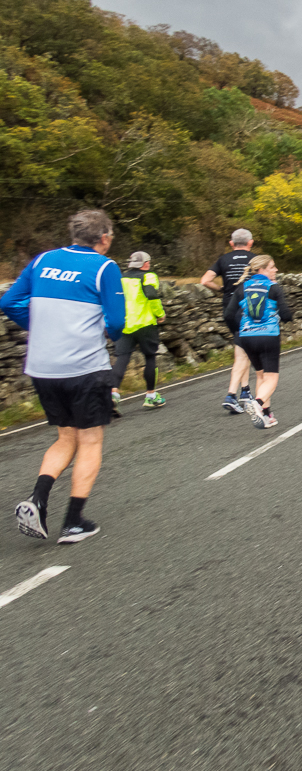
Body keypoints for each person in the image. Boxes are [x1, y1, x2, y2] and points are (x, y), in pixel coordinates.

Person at [2, 209, 124, 544]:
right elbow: (116, 322)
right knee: (90, 440)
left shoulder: (43, 261)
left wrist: (39, 327)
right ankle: (73, 521)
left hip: (43, 367)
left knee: (64, 438)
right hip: (84, 368)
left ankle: (38, 500)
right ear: (103, 238)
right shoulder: (105, 267)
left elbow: (10, 301)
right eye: (110, 236)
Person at [224, 255, 293, 428]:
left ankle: (267, 416)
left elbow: (228, 315)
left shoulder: (242, 288)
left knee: (261, 376)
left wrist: (238, 329)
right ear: (262, 269)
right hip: (269, 336)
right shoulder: (273, 287)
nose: (275, 270)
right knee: (271, 379)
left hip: (246, 337)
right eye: (272, 267)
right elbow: (286, 315)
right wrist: (286, 317)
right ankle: (258, 403)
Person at [200, 229, 256, 414]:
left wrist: (221, 289)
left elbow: (205, 280)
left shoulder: (223, 259)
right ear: (250, 243)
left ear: (231, 243)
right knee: (243, 353)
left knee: (243, 348)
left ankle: (246, 391)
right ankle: (231, 395)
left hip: (229, 310)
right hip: (248, 309)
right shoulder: (255, 260)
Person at [110, 251, 167, 410]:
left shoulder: (121, 278)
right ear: (146, 264)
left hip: (125, 324)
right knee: (150, 357)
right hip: (145, 324)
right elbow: (151, 295)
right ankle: (150, 395)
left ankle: (113, 393)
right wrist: (160, 314)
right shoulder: (148, 276)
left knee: (121, 358)